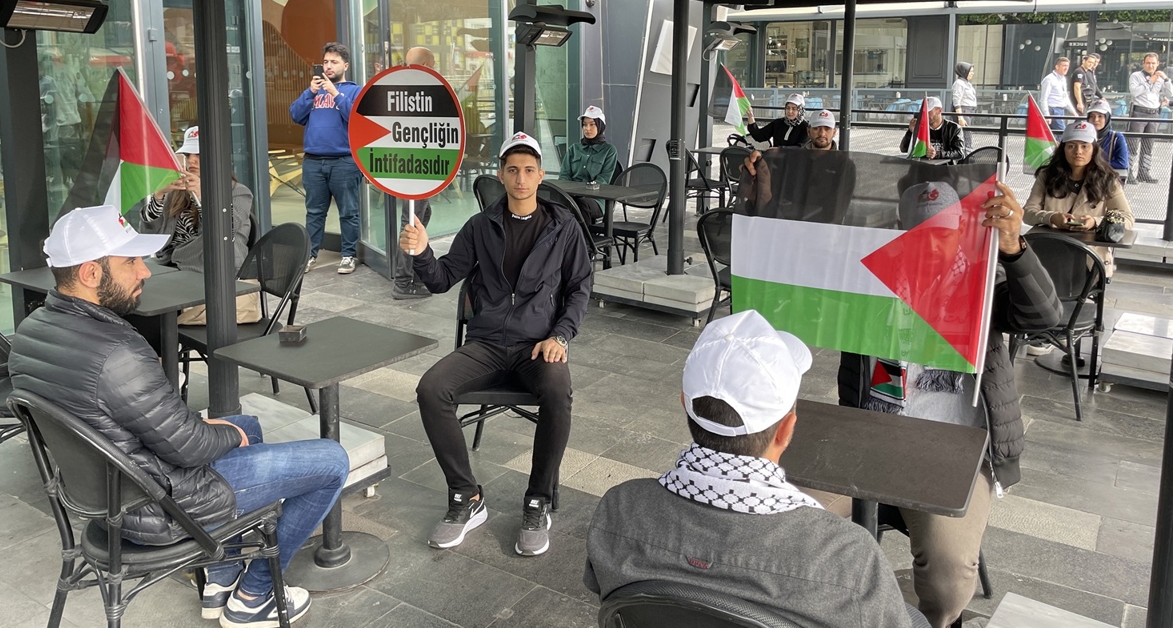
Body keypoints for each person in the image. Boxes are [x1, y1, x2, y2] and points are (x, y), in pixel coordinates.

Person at [7, 205, 349, 627]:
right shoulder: (117, 353)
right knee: (331, 461)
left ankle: (221, 576)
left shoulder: (31, 332)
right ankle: (255, 596)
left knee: (246, 423)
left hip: (109, 494)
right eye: (130, 262)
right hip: (162, 507)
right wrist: (226, 436)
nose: (144, 272)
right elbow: (190, 449)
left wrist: (222, 431)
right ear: (91, 273)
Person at [820, 179, 1062, 628]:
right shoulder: (867, 282)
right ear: (900, 231)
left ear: (961, 232)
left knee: (949, 577)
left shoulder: (983, 285)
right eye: (920, 233)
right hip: (870, 437)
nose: (932, 244)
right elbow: (790, 281)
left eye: (943, 232)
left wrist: (1014, 248)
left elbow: (1045, 316)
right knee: (785, 516)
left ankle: (930, 622)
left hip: (954, 451)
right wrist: (761, 204)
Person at [584, 310, 923, 628]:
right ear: (787, 429)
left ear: (685, 404)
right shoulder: (846, 555)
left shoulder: (619, 509)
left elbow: (602, 586)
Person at [399, 132, 592, 557]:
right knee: (431, 389)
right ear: (501, 175)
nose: (520, 178)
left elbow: (580, 288)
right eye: (512, 170)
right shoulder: (479, 226)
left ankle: (538, 500)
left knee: (557, 391)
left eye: (528, 170)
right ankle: (466, 496)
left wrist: (560, 335)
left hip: (537, 346)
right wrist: (422, 253)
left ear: (540, 175)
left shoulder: (563, 227)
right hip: (486, 343)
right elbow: (441, 280)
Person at [1023, 121, 1135, 275]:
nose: (1078, 152)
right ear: (1063, 149)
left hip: (1091, 258)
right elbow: (1028, 212)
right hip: (1049, 254)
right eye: (1071, 146)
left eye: (1084, 146)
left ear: (1093, 149)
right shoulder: (1047, 175)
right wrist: (1052, 218)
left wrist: (1095, 222)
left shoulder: (1107, 179)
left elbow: (1127, 218)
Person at [289, 41, 363, 275]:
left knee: (348, 211)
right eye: (325, 62)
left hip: (344, 161)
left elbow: (357, 119)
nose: (328, 66)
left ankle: (348, 255)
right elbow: (295, 115)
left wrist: (335, 93)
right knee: (314, 212)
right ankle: (309, 255)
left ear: (345, 66)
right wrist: (310, 92)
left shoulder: (355, 91)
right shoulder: (314, 91)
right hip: (313, 161)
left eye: (334, 62)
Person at [141, 126, 254, 275]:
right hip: (170, 263)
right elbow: (149, 235)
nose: (191, 160)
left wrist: (201, 195)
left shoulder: (238, 192)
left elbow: (225, 230)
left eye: (199, 154)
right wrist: (158, 195)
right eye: (187, 155)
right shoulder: (178, 189)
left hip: (213, 266)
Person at [392, 46, 437, 300]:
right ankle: (403, 282)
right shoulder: (420, 91)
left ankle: (415, 271)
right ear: (427, 66)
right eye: (433, 65)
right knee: (411, 220)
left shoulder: (399, 88)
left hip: (412, 165)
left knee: (421, 215)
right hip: (416, 167)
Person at [558, 105, 618, 226]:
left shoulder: (609, 151)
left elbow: (603, 179)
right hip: (571, 196)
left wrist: (582, 191)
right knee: (553, 203)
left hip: (596, 200)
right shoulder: (574, 149)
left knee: (581, 205)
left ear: (600, 126)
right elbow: (564, 175)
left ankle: (584, 238)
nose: (587, 128)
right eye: (584, 125)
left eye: (592, 124)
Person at [1125, 52, 1172, 184]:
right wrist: (1149, 81)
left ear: (1158, 64)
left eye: (1153, 63)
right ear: (1143, 63)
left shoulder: (1160, 77)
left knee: (1148, 144)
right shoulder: (1136, 76)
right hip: (1139, 112)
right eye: (1148, 63)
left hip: (1154, 113)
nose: (1150, 65)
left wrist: (1166, 79)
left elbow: (1170, 93)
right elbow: (1134, 92)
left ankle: (1144, 172)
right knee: (1133, 144)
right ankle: (1128, 172)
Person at [899, 97, 965, 161]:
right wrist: (911, 132)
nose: (925, 115)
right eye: (923, 112)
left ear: (939, 110)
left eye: (928, 112)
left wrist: (937, 154)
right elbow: (904, 149)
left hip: (944, 167)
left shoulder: (954, 128)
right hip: (923, 166)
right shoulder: (920, 127)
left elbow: (960, 153)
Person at [1086, 99, 1129, 175]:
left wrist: (1093, 163)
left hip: (1107, 178)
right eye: (1092, 116)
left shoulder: (1116, 137)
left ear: (1107, 118)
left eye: (1100, 116)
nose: (1096, 120)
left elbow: (1122, 163)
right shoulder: (1083, 136)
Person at [1039, 57, 1072, 132]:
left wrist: (1073, 112)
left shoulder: (1063, 79)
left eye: (1067, 66)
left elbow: (1065, 97)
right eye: (1064, 66)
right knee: (1062, 133)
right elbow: (1043, 99)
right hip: (1052, 109)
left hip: (1061, 109)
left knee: (1055, 134)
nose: (1066, 68)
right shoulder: (1049, 79)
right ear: (1057, 66)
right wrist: (1047, 115)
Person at [951, 62, 978, 150]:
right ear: (964, 72)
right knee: (966, 135)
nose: (972, 74)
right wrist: (960, 118)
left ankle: (967, 151)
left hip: (969, 111)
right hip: (963, 111)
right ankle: (967, 152)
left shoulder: (966, 83)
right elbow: (956, 101)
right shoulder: (959, 83)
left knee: (967, 134)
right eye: (970, 72)